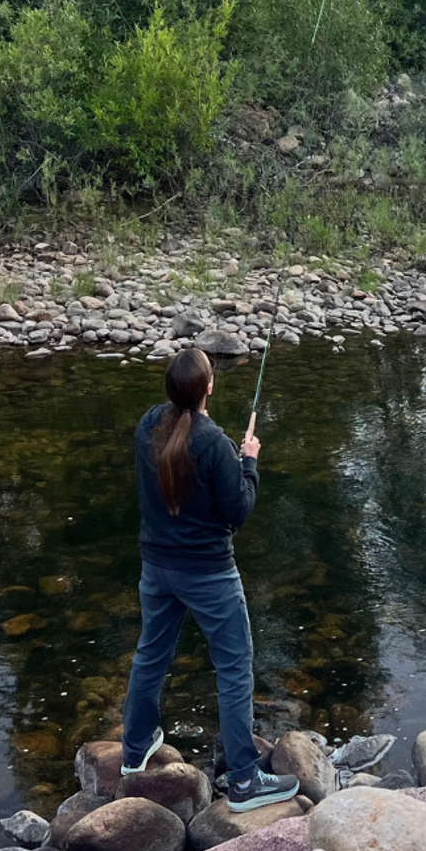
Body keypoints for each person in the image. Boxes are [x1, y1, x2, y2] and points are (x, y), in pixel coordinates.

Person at [118, 347, 300, 811]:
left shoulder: (146, 426)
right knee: (235, 669)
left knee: (150, 655)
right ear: (208, 388)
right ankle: (243, 781)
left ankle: (134, 751)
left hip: (156, 568)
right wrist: (249, 462)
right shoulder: (215, 442)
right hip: (209, 573)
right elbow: (237, 512)